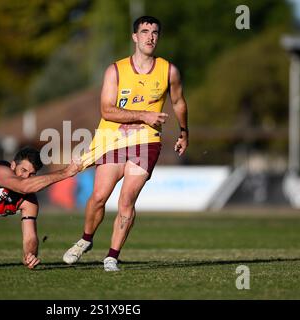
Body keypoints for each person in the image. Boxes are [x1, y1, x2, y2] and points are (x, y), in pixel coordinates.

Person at [63, 16, 188, 271]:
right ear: (135, 37)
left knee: (126, 200)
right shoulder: (116, 70)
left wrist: (184, 132)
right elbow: (107, 111)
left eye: (154, 32)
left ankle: (112, 256)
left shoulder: (169, 71)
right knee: (98, 197)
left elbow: (178, 102)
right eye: (144, 32)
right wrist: (144, 114)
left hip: (146, 141)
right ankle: (86, 240)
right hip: (112, 138)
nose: (150, 37)